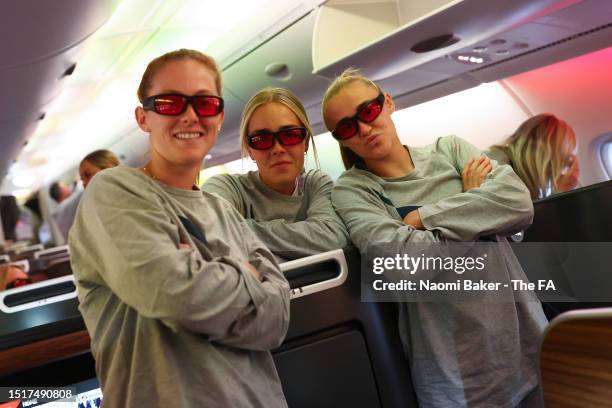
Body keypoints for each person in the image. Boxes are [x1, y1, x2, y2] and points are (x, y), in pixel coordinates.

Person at [69, 49, 290, 407]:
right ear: (144, 117)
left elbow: (277, 319)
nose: (190, 115)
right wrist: (249, 278)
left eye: (204, 103)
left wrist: (207, 274)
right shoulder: (113, 191)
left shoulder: (224, 210)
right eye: (170, 103)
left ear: (219, 116)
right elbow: (173, 294)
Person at [322, 68, 547, 408]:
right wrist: (474, 203)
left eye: (367, 112)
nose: (364, 128)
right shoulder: (353, 192)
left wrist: (423, 218)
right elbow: (405, 267)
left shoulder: (450, 150)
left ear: (387, 103)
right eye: (347, 127)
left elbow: (517, 203)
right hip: (456, 379)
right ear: (341, 139)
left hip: (529, 347)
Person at [203, 87, 348, 260]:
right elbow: (211, 230)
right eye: (262, 139)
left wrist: (240, 230)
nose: (277, 149)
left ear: (306, 142)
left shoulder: (316, 184)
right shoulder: (226, 188)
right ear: (250, 150)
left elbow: (332, 238)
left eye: (290, 135)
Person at [487, 113, 580, 199]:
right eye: (561, 162)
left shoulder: (525, 182)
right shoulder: (498, 168)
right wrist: (560, 192)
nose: (554, 173)